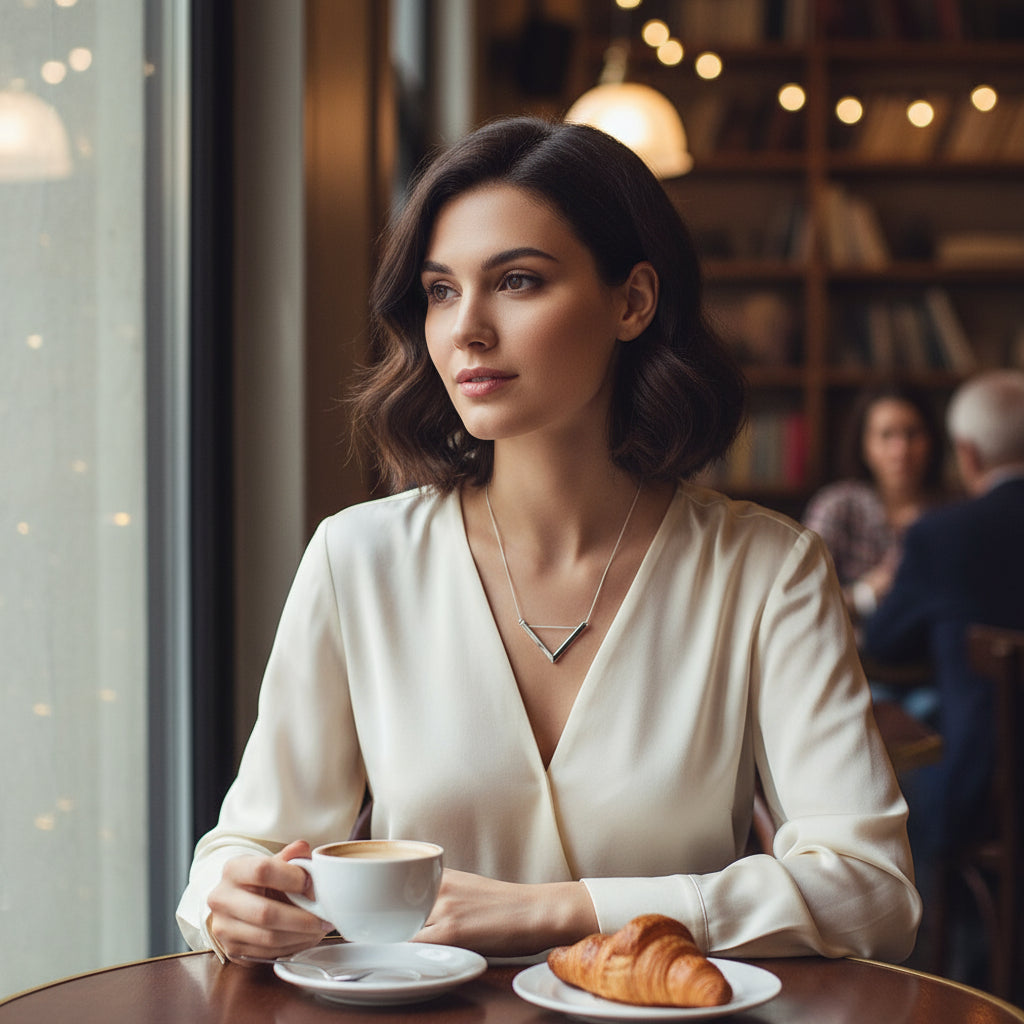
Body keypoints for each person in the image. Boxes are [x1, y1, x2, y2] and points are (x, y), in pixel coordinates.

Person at [175, 116, 920, 966]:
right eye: (441, 291)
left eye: (518, 281)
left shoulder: (767, 571)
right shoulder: (357, 560)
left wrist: (557, 912)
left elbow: (870, 892)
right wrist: (233, 897)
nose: (467, 330)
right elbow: (239, 854)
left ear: (632, 301)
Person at [860, 370, 1024, 923]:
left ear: (967, 454)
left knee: (883, 778)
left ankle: (941, 971)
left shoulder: (944, 534)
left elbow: (883, 641)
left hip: (986, 792)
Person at [804, 384, 946, 627]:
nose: (901, 450)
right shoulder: (837, 506)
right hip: (850, 654)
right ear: (864, 446)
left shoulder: (950, 513)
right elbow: (804, 601)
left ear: (932, 440)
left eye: (913, 434)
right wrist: (866, 594)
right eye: (886, 435)